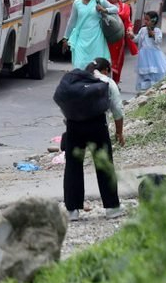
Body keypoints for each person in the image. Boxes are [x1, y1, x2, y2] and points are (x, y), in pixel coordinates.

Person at [53, 58, 122, 221]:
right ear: (105, 70)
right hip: (97, 125)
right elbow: (117, 110)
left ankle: (72, 211)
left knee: (73, 166)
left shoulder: (74, 82)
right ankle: (112, 208)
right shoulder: (106, 82)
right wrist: (119, 132)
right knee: (104, 164)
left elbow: (64, 105)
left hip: (73, 125)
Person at [64, 0, 120, 70]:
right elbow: (72, 21)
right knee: (80, 66)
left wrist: (104, 10)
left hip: (96, 39)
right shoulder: (77, 3)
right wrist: (66, 38)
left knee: (96, 68)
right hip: (81, 39)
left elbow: (116, 9)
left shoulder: (99, 0)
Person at [103, 0, 135, 85]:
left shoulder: (125, 7)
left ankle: (115, 83)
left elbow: (128, 22)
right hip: (105, 38)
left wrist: (130, 30)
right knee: (105, 60)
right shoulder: (103, 6)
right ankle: (105, 82)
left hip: (119, 39)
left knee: (118, 61)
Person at [135, 13, 166, 91]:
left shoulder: (157, 31)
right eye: (145, 19)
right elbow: (137, 39)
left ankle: (153, 87)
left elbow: (158, 41)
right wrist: (131, 36)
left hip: (154, 55)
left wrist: (153, 35)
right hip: (144, 55)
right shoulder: (143, 30)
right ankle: (145, 88)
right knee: (145, 72)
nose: (145, 21)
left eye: (147, 20)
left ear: (153, 21)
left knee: (154, 71)